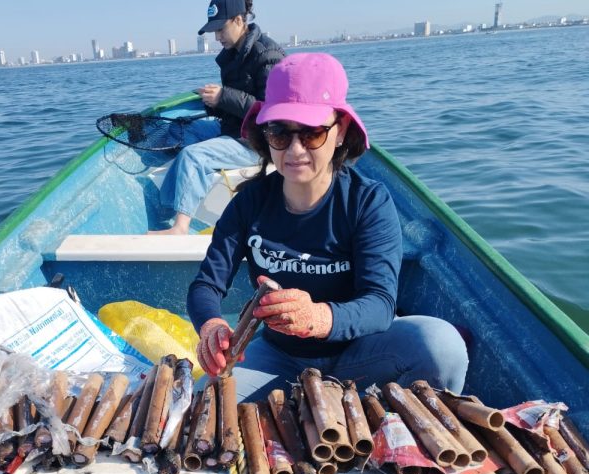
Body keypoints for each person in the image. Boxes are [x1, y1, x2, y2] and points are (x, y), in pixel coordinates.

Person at [187, 52, 469, 401]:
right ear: (265, 134)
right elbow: (206, 285)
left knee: (442, 346)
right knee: (207, 400)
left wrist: (319, 317)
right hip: (278, 357)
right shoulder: (249, 203)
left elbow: (380, 304)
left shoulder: (367, 202)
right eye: (279, 132)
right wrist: (211, 326)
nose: (294, 149)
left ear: (341, 131)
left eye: (312, 134)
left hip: (361, 353)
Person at [149, 0, 284, 235]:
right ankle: (167, 207)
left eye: (221, 29)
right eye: (215, 31)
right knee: (181, 129)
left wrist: (224, 97)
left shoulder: (267, 55)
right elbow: (234, 106)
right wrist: (213, 103)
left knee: (192, 155)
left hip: (257, 141)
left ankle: (180, 227)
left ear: (240, 21)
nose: (217, 37)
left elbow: (271, 111)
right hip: (234, 130)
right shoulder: (233, 55)